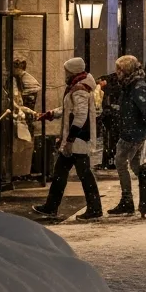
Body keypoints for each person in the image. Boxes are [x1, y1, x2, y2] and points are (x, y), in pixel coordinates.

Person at [31, 57, 103, 221]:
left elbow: (80, 116)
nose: (65, 74)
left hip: (77, 140)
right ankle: (52, 206)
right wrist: (50, 114)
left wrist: (70, 140)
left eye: (67, 71)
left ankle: (93, 208)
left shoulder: (79, 90)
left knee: (82, 173)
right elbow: (69, 109)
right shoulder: (77, 87)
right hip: (75, 139)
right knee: (62, 172)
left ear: (73, 72)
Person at [107, 55, 146, 216]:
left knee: (120, 163)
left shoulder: (137, 86)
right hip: (134, 130)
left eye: (119, 69)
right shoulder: (130, 85)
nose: (117, 73)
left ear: (126, 70)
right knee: (135, 164)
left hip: (132, 132)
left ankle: (127, 199)